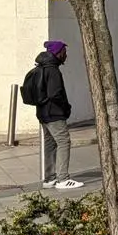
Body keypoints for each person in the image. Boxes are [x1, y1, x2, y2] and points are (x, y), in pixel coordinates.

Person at [27, 40, 82, 190]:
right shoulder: (52, 70)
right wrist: (66, 107)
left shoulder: (41, 67)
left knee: (50, 143)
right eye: (64, 52)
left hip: (43, 112)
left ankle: (49, 178)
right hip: (54, 113)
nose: (66, 55)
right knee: (64, 141)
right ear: (58, 53)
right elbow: (55, 94)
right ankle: (63, 178)